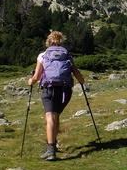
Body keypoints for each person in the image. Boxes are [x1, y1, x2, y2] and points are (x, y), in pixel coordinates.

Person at [28, 30, 86, 161]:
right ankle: (54, 143)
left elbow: (36, 77)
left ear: (48, 42)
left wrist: (30, 81)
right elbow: (76, 73)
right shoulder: (66, 55)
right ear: (61, 42)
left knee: (50, 117)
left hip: (49, 89)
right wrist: (82, 81)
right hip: (65, 90)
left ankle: (50, 150)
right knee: (56, 116)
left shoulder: (43, 55)